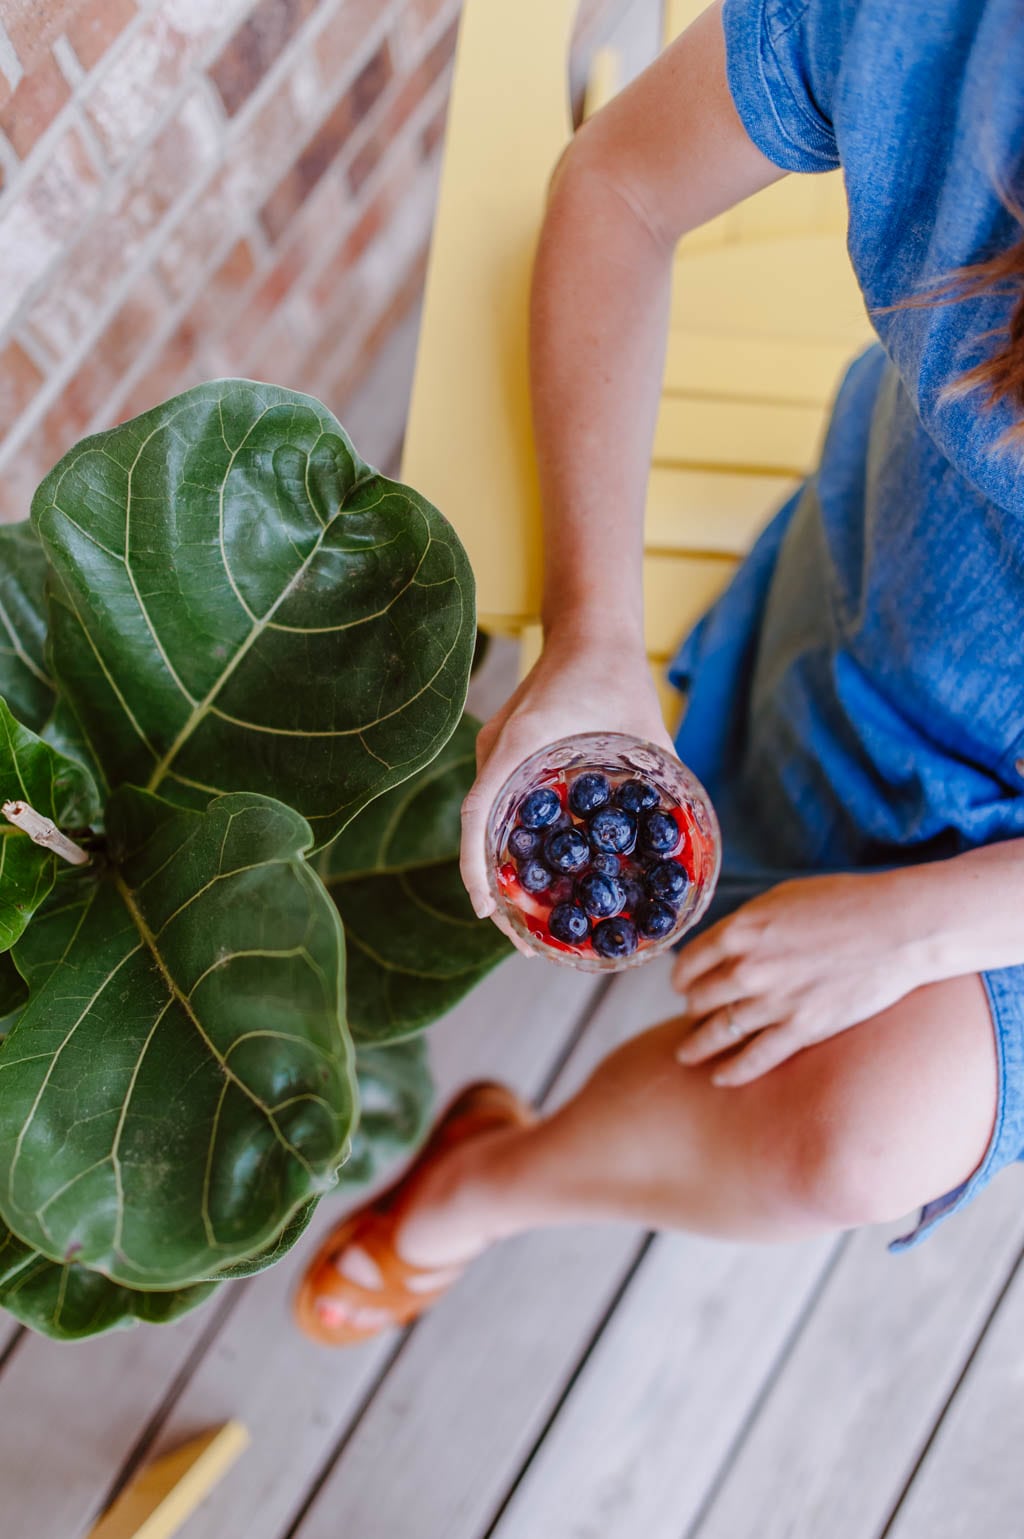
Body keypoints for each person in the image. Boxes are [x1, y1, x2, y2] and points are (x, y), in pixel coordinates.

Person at [295, 0, 1024, 1345]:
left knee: (858, 1141)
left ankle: (491, 1180)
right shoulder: (951, 31)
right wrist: (593, 634)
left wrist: (927, 925)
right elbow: (620, 185)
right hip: (891, 593)